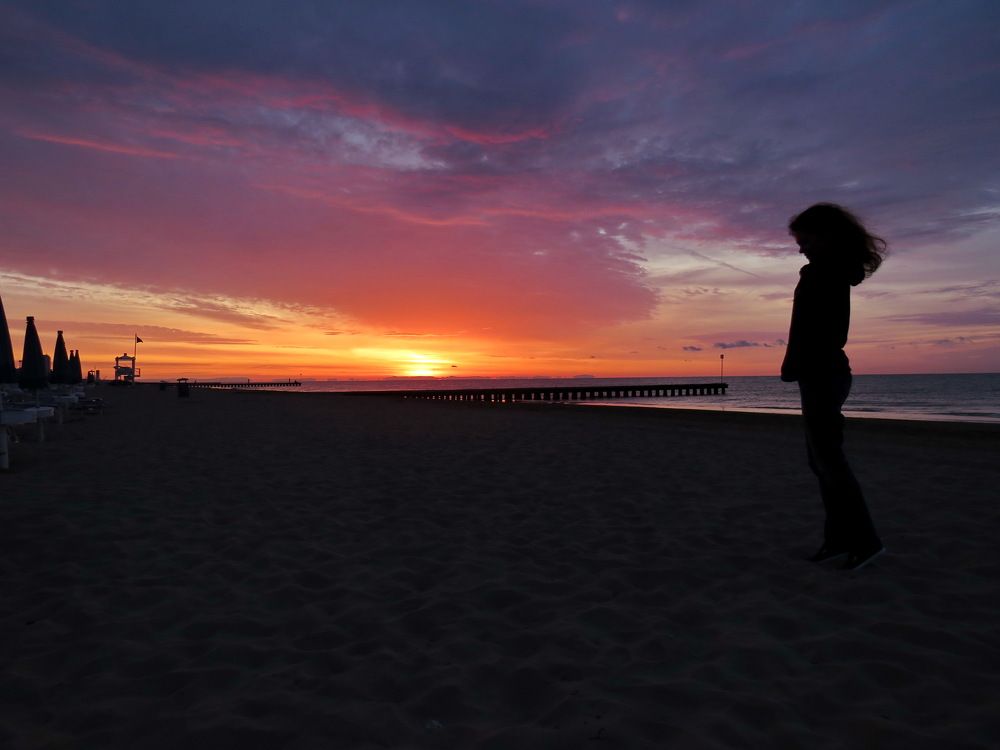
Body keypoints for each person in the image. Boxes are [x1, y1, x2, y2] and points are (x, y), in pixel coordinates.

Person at [780, 203, 886, 571]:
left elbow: (817, 331)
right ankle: (839, 538)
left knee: (829, 460)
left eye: (805, 240)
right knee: (821, 460)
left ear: (825, 237)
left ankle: (865, 541)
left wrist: (795, 364)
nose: (801, 248)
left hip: (823, 372)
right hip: (822, 372)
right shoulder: (831, 272)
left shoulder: (822, 274)